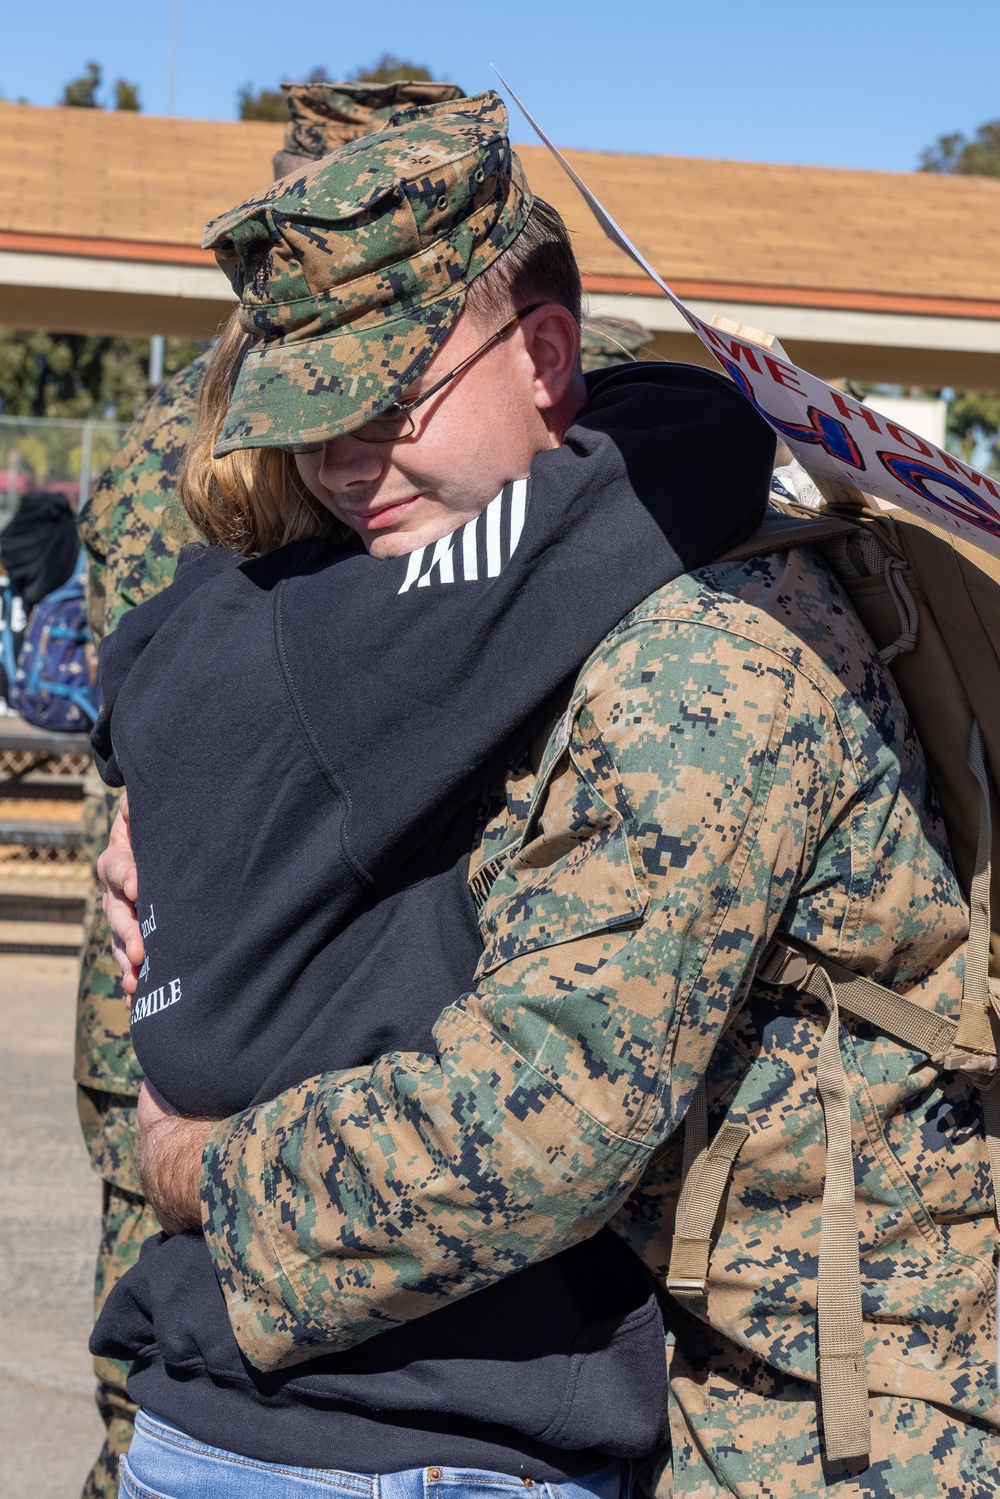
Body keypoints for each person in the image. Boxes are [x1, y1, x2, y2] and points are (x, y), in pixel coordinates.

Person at [91, 90, 775, 1496]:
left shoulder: (205, 630)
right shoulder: (397, 631)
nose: (350, 460)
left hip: (210, 1405)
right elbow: (697, 441)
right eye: (319, 420)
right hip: (409, 1441)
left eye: (384, 404)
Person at [73, 72, 468, 1499]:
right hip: (264, 930)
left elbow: (133, 689)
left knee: (171, 1278)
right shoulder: (216, 433)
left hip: (200, 925)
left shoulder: (193, 420)